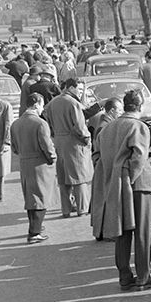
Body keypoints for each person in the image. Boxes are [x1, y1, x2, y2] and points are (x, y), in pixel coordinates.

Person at [97, 89, 151, 292]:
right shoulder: (138, 126)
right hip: (139, 185)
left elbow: (99, 157)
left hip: (116, 184)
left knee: (121, 231)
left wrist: (116, 178)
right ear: (140, 106)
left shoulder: (107, 129)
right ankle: (143, 275)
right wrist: (129, 178)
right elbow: (139, 158)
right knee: (143, 231)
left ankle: (124, 275)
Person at [10, 92, 59, 244]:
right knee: (41, 197)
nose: (42, 108)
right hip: (40, 163)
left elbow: (15, 148)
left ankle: (35, 227)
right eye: (42, 104)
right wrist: (52, 157)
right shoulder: (40, 123)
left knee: (30, 197)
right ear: (37, 104)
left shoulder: (16, 124)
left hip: (25, 163)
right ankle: (34, 232)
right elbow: (47, 145)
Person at [43, 77, 93, 218]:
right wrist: (87, 139)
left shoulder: (53, 103)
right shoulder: (73, 103)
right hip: (74, 143)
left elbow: (48, 119)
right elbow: (80, 127)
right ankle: (82, 208)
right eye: (80, 89)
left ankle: (66, 209)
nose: (81, 92)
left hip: (59, 142)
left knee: (64, 178)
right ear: (71, 88)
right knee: (79, 177)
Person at [88, 97, 121, 241]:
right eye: (119, 110)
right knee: (105, 200)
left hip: (103, 165)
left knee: (102, 200)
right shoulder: (105, 126)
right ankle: (105, 232)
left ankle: (101, 232)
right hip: (105, 166)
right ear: (112, 111)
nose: (121, 113)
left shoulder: (105, 123)